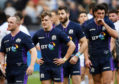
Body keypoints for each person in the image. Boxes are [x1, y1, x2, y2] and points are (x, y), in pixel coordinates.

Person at [32, 11, 75, 84]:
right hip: (44, 67)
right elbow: (30, 46)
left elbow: (72, 45)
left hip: (56, 66)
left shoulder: (58, 32)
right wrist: (36, 59)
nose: (44, 22)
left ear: (51, 21)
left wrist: (64, 59)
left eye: (46, 20)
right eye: (42, 20)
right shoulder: (38, 34)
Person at [83, 4, 118, 84]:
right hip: (94, 58)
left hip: (106, 57)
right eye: (99, 13)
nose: (101, 15)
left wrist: (104, 24)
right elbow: (85, 43)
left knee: (107, 82)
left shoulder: (108, 22)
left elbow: (116, 35)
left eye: (103, 13)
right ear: (95, 13)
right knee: (97, 82)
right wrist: (86, 59)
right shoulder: (88, 25)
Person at [0, 16, 37, 84]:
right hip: (9, 70)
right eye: (8, 22)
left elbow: (33, 51)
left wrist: (31, 65)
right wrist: (2, 63)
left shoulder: (25, 37)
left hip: (21, 70)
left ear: (18, 24)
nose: (8, 24)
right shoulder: (5, 39)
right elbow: (2, 53)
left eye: (11, 22)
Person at [57, 6, 88, 84]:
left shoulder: (76, 26)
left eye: (62, 13)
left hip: (74, 60)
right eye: (59, 14)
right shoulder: (56, 29)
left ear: (68, 14)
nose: (60, 16)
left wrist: (77, 56)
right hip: (61, 61)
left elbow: (85, 42)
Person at [108, 9, 119, 84]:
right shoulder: (106, 25)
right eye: (109, 16)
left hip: (117, 52)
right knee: (111, 74)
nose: (111, 17)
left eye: (113, 16)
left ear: (117, 16)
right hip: (110, 52)